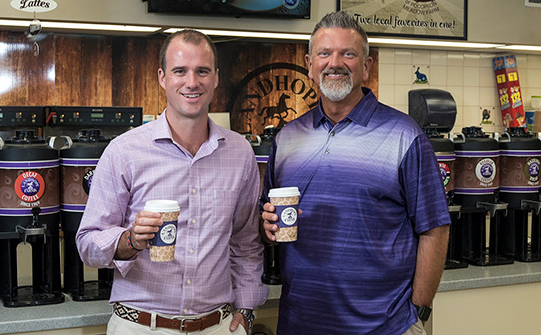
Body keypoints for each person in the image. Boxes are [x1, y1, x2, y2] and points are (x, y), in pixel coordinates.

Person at [260, 11, 451, 335]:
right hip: (300, 324)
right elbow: (269, 226)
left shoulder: (405, 136)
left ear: (366, 65)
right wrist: (266, 226)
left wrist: (418, 311)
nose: (335, 62)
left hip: (385, 326)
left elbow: (435, 230)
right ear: (309, 64)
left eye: (347, 53)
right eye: (324, 53)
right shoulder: (288, 138)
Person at [77, 29, 268, 335]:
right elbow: (87, 243)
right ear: (163, 77)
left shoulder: (240, 153)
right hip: (141, 326)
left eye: (202, 71)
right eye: (180, 71)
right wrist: (131, 240)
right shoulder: (123, 151)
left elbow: (245, 243)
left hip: (218, 326)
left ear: (216, 78)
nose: (192, 82)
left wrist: (246, 310)